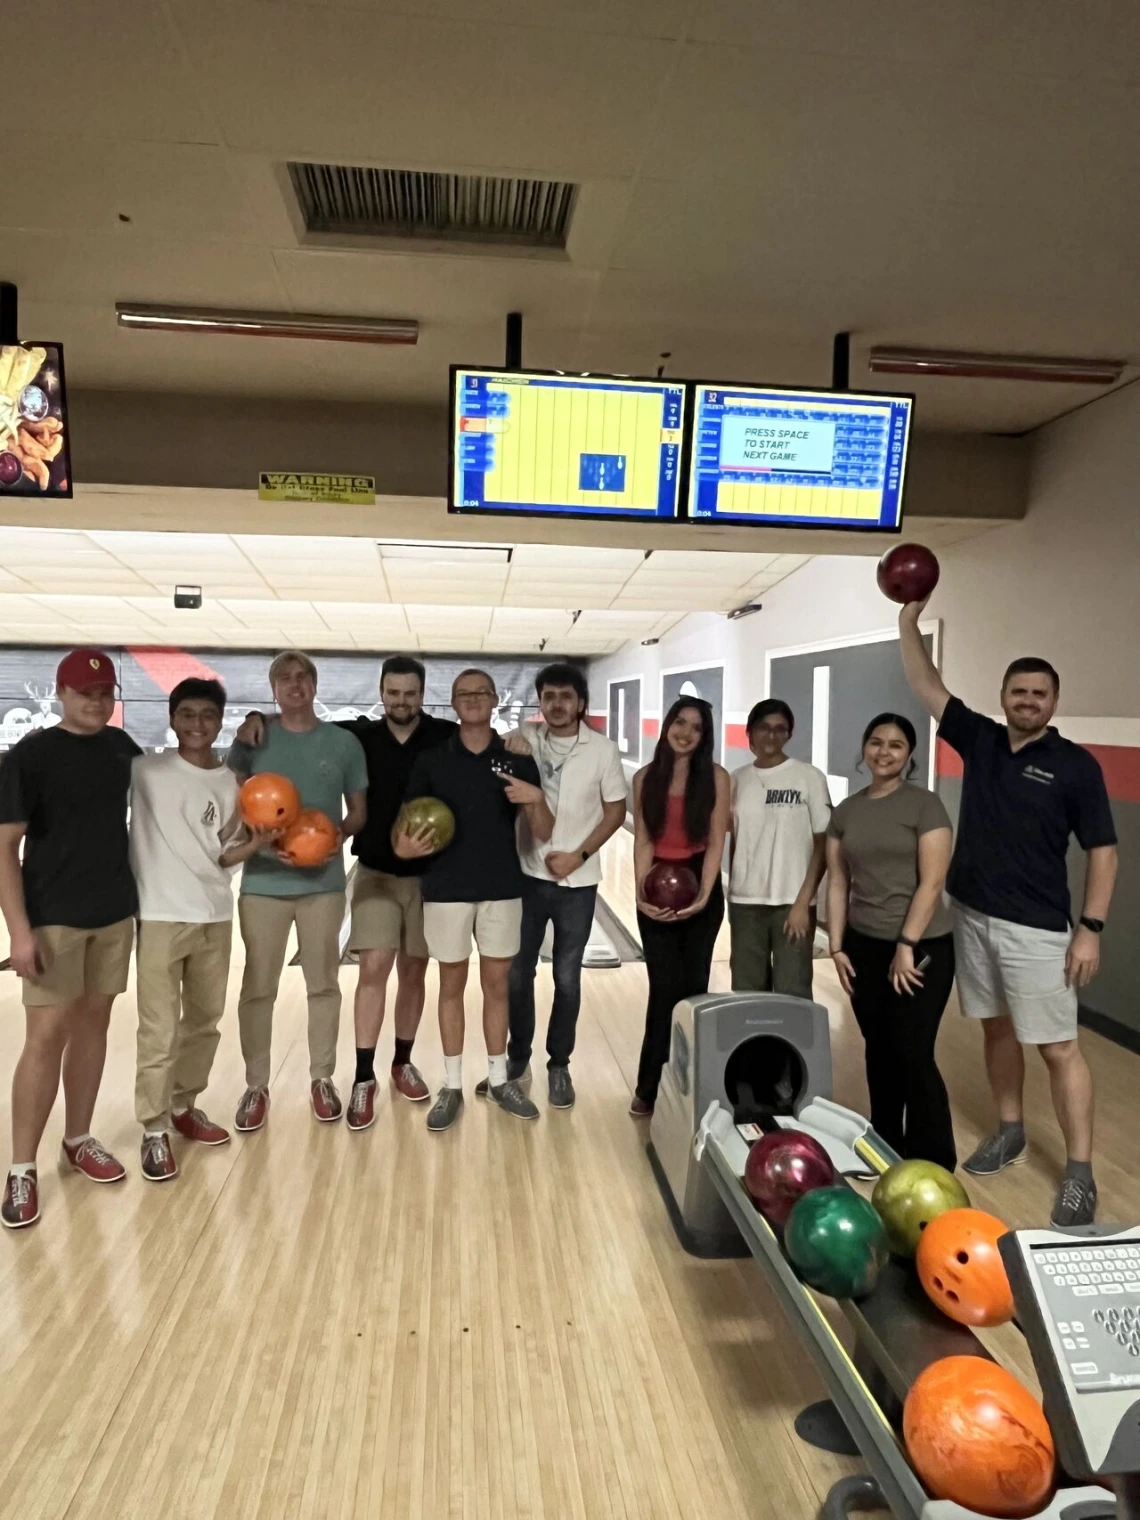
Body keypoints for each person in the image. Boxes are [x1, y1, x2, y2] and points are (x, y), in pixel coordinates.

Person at [900, 603, 1118, 1226]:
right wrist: (908, 621)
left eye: (1039, 694)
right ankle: (1011, 1129)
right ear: (1002, 697)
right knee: (995, 1030)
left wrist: (1091, 928)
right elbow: (926, 685)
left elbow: (1104, 852)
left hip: (1039, 929)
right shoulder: (982, 739)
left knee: (1058, 1048)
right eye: (1018, 691)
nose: (1028, 701)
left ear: (1053, 702)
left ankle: (1080, 1172)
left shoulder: (1076, 765)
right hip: (971, 916)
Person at [0, 649, 140, 1229]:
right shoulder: (29, 757)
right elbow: (4, 849)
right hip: (53, 916)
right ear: (60, 691)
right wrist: (20, 932)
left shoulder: (122, 751)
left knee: (94, 1026)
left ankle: (78, 1139)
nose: (96, 700)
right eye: (85, 691)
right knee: (46, 1036)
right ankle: (21, 1169)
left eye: (105, 691)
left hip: (113, 913)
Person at [393, 669, 553, 1132]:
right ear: (454, 703)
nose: (473, 700)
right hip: (445, 890)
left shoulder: (517, 759)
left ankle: (500, 1080)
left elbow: (543, 831)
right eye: (464, 694)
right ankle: (452, 1084)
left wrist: (535, 797)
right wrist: (403, 848)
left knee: (498, 987)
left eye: (481, 693)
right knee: (449, 987)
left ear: (495, 699)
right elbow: (406, 831)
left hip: (502, 887)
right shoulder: (432, 759)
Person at [129, 678, 273, 1182]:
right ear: (171, 719)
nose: (196, 724)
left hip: (214, 912)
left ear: (219, 722)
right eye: (186, 714)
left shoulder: (230, 783)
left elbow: (223, 852)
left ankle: (184, 1105)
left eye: (207, 715)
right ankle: (153, 1129)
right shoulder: (145, 770)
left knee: (205, 1020)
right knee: (159, 1025)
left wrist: (256, 846)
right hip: (161, 915)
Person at [228, 651, 368, 1131]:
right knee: (258, 987)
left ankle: (322, 1078)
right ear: (272, 689)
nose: (294, 684)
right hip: (263, 884)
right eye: (284, 678)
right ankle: (256, 1085)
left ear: (314, 684)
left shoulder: (343, 743)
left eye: (302, 677)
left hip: (322, 885)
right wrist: (255, 846)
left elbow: (359, 812)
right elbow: (231, 807)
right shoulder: (252, 739)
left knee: (323, 984)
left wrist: (335, 841)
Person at [826, 714, 957, 1171]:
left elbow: (933, 880)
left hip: (922, 949)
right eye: (876, 742)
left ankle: (934, 1162)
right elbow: (839, 881)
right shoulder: (847, 811)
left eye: (896, 745)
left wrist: (906, 943)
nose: (884, 751)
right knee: (878, 1049)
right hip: (864, 945)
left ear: (910, 755)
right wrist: (837, 946)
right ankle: (886, 1147)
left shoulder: (925, 806)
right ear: (864, 748)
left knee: (913, 1053)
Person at [499, 663, 627, 1109]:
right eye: (548, 696)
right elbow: (496, 759)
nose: (556, 704)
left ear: (581, 704)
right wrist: (510, 741)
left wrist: (579, 855)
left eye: (565, 697)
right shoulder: (525, 738)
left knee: (567, 977)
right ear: (539, 702)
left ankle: (559, 1064)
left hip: (578, 882)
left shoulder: (603, 751)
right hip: (528, 877)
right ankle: (518, 1058)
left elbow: (614, 813)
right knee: (518, 974)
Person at [337, 656, 455, 1130]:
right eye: (393, 692)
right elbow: (303, 727)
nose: (401, 701)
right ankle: (364, 1076)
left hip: (431, 880)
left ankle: (401, 1061)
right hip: (376, 873)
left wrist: (518, 737)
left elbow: (488, 748)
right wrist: (257, 721)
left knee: (413, 971)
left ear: (423, 694)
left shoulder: (445, 736)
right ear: (381, 692)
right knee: (375, 966)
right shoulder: (359, 736)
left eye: (410, 693)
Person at [630, 697, 730, 1117]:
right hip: (657, 885)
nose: (685, 732)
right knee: (664, 990)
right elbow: (644, 840)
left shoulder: (717, 778)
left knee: (693, 992)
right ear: (667, 724)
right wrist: (640, 892)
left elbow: (716, 842)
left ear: (705, 736)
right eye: (679, 722)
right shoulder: (645, 778)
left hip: (699, 884)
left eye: (696, 727)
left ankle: (691, 1089)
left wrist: (705, 895)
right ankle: (649, 1087)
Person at [728, 698, 830, 998]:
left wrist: (804, 902)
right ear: (749, 732)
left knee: (793, 992)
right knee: (747, 993)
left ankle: (789, 1049)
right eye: (763, 728)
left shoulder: (808, 777)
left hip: (793, 903)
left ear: (789, 734)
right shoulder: (736, 780)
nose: (771, 736)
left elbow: (822, 844)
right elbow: (737, 841)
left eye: (780, 729)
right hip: (746, 903)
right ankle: (755, 1048)